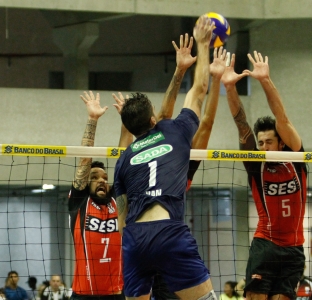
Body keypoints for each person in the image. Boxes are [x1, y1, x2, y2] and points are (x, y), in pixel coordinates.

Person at [114, 15, 215, 300]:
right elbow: (200, 91)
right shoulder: (175, 130)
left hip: (134, 238)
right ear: (153, 118)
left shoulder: (124, 158)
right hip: (169, 233)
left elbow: (122, 215)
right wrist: (203, 45)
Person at [221, 50, 307, 300]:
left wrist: (265, 81)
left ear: (281, 144)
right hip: (265, 245)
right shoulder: (255, 165)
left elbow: (283, 118)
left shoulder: (296, 159)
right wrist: (229, 87)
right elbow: (241, 123)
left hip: (294, 249)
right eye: (261, 143)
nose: (264, 148)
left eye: (269, 142)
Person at [150, 35, 227, 300]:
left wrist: (216, 79)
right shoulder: (150, 150)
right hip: (145, 249)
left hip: (170, 247)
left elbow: (206, 122)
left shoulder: (185, 166)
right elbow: (163, 117)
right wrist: (181, 69)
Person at [68, 90, 132, 300]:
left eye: (105, 177)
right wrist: (92, 119)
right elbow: (85, 161)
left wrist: (125, 119)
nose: (102, 180)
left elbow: (125, 156)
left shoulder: (116, 201)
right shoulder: (80, 202)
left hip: (116, 293)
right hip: (83, 294)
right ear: (86, 182)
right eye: (95, 177)